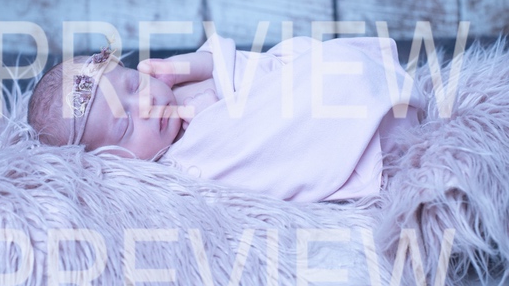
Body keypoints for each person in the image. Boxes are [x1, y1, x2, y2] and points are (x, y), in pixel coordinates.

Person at [28, 34, 425, 202]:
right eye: (126, 125)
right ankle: (367, 119)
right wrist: (213, 121)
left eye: (133, 84)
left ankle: (361, 88)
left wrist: (198, 65)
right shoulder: (169, 171)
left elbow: (245, 65)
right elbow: (250, 161)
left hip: (341, 84)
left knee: (317, 67)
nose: (145, 103)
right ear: (111, 163)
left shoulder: (170, 79)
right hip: (355, 140)